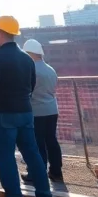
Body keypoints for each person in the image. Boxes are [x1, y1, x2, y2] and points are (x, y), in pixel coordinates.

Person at [0, 15, 56, 197]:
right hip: (25, 113)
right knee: (34, 156)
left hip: (4, 114)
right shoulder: (26, 58)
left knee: (6, 158)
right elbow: (31, 85)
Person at [21, 39, 63, 183]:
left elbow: (27, 91)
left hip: (36, 111)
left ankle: (37, 173)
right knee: (51, 140)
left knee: (37, 144)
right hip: (52, 109)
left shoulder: (30, 69)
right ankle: (56, 172)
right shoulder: (50, 69)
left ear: (28, 53)